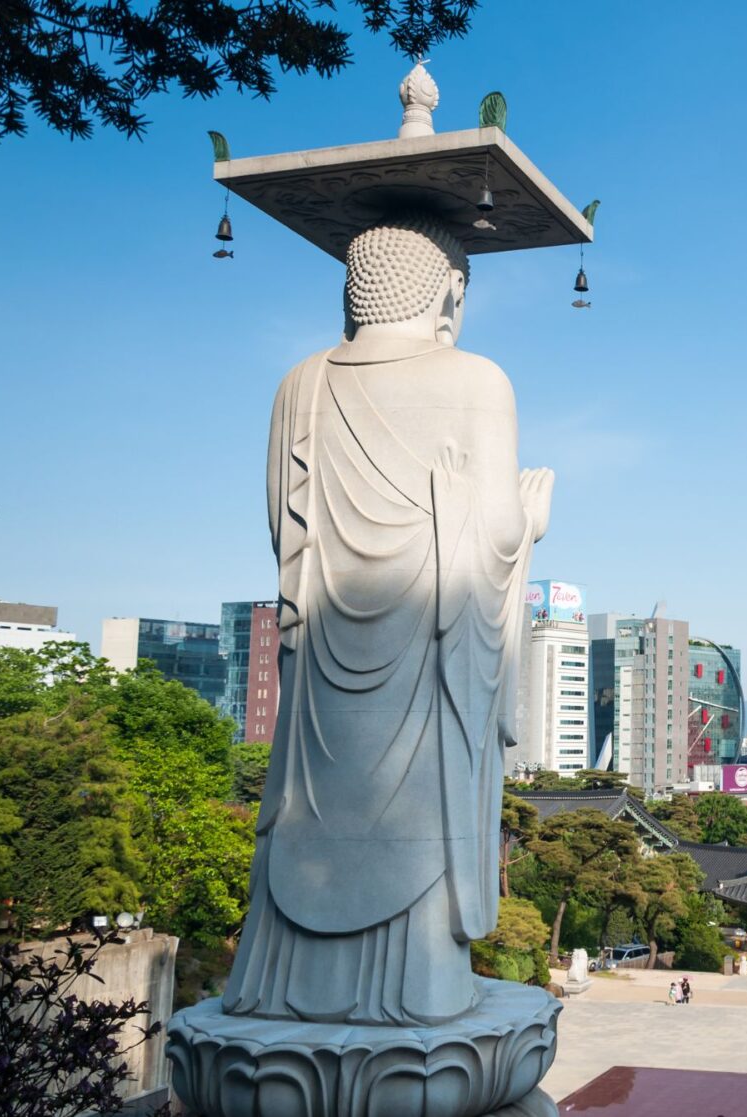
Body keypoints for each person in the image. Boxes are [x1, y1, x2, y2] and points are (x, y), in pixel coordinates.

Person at [223, 212, 554, 1027]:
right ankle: (418, 987)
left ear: (354, 293)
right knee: (423, 825)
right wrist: (528, 525)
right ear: (450, 291)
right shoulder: (477, 382)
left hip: (319, 690)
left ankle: (279, 984)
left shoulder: (298, 385)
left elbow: (284, 538)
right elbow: (492, 538)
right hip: (425, 677)